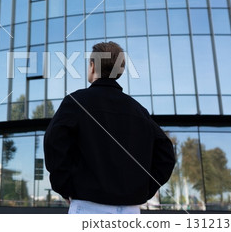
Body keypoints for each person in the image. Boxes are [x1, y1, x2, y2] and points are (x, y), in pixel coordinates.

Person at [43, 42, 175, 214]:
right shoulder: (139, 111)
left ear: (92, 66)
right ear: (119, 70)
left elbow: (53, 144)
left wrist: (66, 187)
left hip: (87, 206)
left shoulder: (75, 102)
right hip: (131, 211)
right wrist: (143, 189)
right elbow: (166, 154)